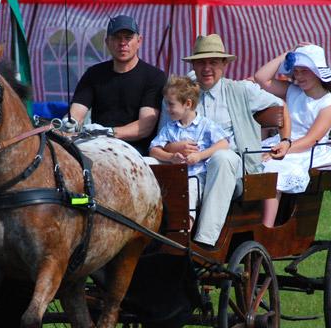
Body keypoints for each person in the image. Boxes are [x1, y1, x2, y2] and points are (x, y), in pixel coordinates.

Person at [161, 34, 283, 247]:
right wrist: (175, 148)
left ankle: (205, 240)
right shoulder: (179, 95)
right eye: (201, 62)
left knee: (222, 158)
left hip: (232, 167)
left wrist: (286, 140)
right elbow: (163, 139)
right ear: (193, 66)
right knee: (150, 162)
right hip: (188, 164)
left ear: (224, 64)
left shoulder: (240, 90)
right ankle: (151, 235)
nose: (207, 68)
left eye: (213, 62)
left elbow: (281, 105)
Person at [253, 43, 331, 227]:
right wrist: (287, 54)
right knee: (247, 158)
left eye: (305, 71)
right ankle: (247, 217)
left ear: (318, 72)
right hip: (284, 142)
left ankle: (267, 228)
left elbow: (311, 140)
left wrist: (282, 149)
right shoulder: (293, 91)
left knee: (273, 170)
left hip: (307, 150)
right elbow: (261, 78)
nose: (299, 76)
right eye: (296, 71)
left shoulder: (329, 105)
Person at [67, 14, 166, 155]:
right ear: (107, 42)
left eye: (128, 38)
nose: (122, 43)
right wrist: (68, 123)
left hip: (137, 153)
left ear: (139, 41)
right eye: (116, 38)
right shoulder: (93, 74)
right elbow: (76, 113)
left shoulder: (154, 76)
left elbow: (145, 127)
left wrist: (107, 132)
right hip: (96, 147)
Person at [149, 76, 229, 229]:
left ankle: (184, 230)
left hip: (195, 176)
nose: (167, 109)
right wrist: (171, 157)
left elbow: (224, 143)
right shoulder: (170, 127)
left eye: (171, 104)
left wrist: (200, 155)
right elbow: (153, 149)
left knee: (189, 191)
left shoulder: (205, 125)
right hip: (173, 176)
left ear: (188, 104)